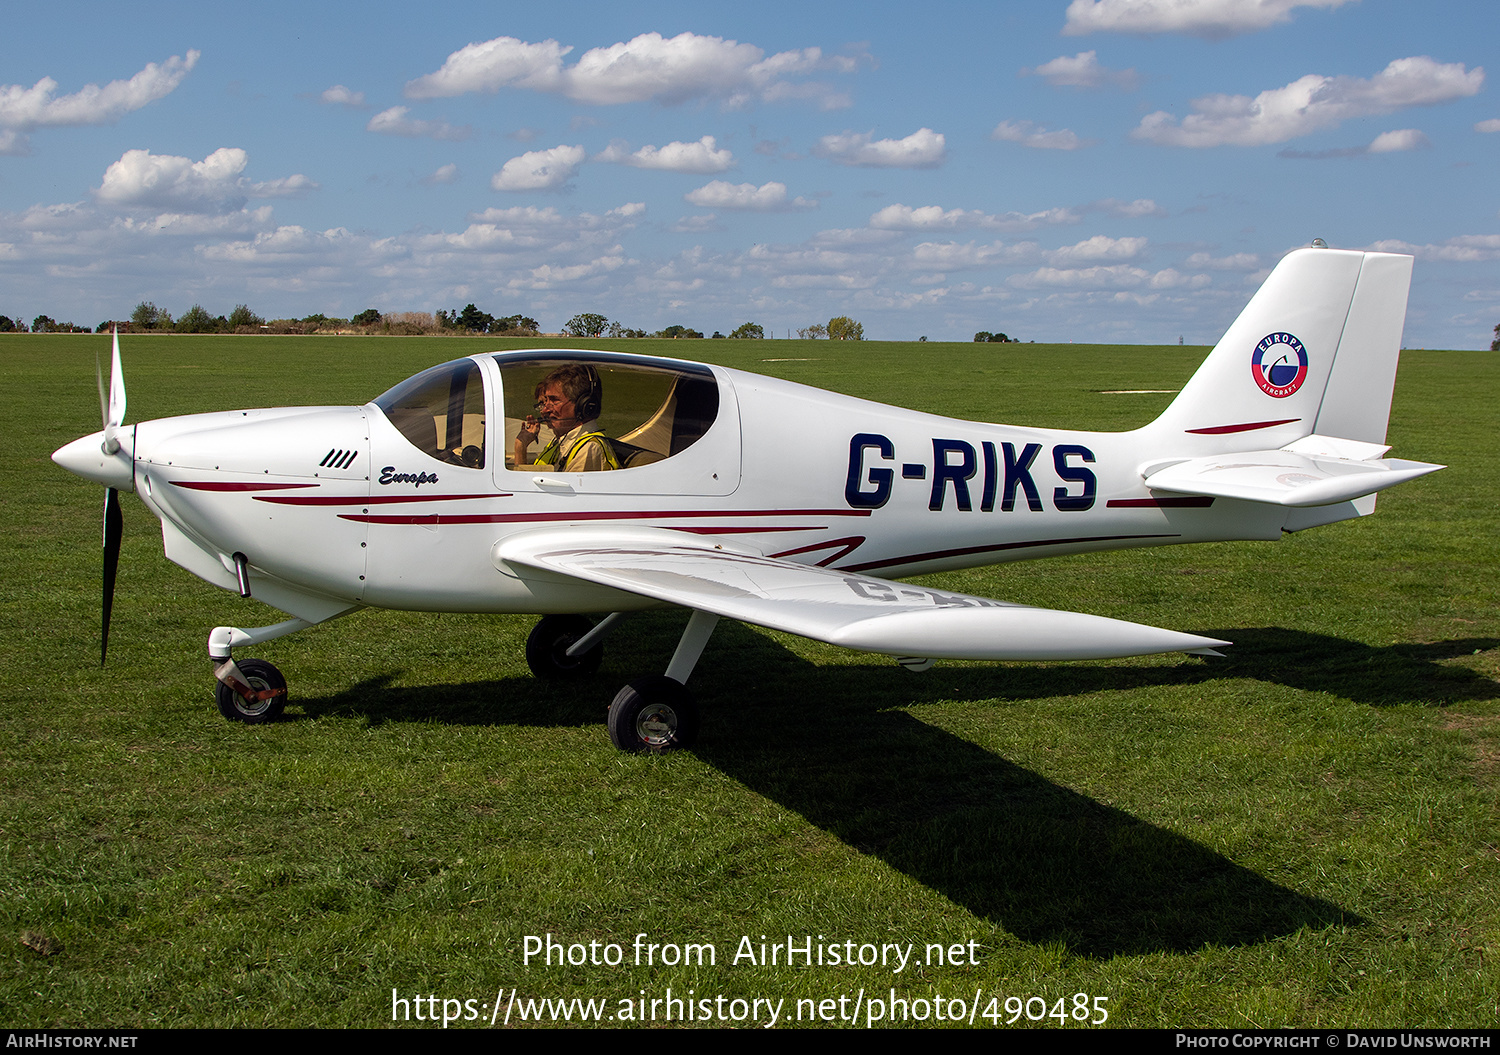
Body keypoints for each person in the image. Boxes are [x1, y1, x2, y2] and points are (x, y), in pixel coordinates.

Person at [513, 364, 621, 472]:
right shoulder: (560, 441)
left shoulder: (588, 449)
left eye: (554, 401)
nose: (545, 410)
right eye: (545, 401)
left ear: (583, 405)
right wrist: (520, 446)